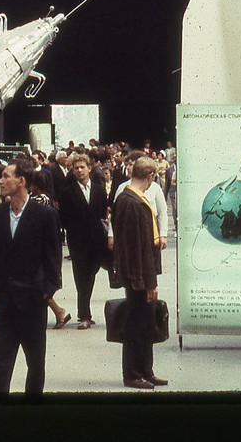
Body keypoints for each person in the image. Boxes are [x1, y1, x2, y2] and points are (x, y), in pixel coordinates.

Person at [0, 155, 62, 397]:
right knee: (0, 363)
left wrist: (47, 291)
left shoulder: (45, 214)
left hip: (33, 301)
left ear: (22, 181)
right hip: (4, 302)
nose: (0, 180)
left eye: (6, 176)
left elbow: (53, 257)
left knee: (35, 363)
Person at [111, 156, 168, 390]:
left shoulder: (126, 198)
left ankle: (145, 370)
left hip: (137, 274)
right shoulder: (134, 203)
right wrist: (149, 281)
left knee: (144, 323)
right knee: (137, 324)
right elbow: (139, 248)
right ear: (151, 177)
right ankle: (133, 373)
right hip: (139, 277)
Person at [57, 153, 110, 330]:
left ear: (89, 169)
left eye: (82, 167)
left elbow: (102, 213)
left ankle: (85, 312)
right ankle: (84, 315)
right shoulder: (67, 192)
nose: (79, 171)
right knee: (81, 276)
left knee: (91, 273)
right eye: (76, 168)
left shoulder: (99, 189)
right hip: (77, 240)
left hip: (96, 239)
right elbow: (63, 218)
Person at [29, 170, 70, 329]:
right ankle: (58, 311)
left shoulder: (39, 200)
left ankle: (59, 311)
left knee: (39, 286)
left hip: (40, 247)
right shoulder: (48, 199)